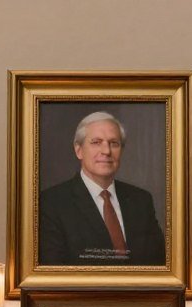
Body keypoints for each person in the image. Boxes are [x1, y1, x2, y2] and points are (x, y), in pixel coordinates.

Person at [39, 112, 166, 267]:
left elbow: (159, 264)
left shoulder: (141, 200)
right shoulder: (50, 203)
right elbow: (53, 271)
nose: (106, 151)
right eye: (96, 142)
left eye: (114, 143)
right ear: (79, 150)